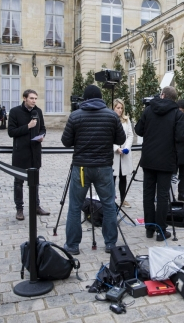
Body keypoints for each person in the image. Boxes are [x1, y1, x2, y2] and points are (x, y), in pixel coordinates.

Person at [61, 85, 126, 255]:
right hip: (104, 167)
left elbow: (66, 141)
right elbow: (121, 138)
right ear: (100, 98)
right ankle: (110, 243)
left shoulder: (75, 116)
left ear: (85, 99)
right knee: (109, 204)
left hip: (81, 168)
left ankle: (73, 245)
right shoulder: (111, 115)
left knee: (75, 206)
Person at [134, 86, 184, 241]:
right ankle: (161, 231)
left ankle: (149, 228)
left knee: (148, 194)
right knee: (163, 196)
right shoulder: (177, 113)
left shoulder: (149, 110)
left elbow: (138, 130)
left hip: (149, 159)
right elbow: (180, 137)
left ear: (162, 95)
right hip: (166, 160)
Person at [8, 89, 50, 221]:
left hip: (35, 151)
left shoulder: (38, 111)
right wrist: (28, 126)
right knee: (18, 182)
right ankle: (19, 209)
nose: (34, 101)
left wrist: (42, 136)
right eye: (32, 98)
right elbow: (11, 132)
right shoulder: (15, 112)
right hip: (21, 152)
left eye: (36, 98)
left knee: (35, 182)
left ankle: (36, 206)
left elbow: (43, 128)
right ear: (24, 98)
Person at [112, 98, 133, 208]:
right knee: (113, 177)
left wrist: (127, 147)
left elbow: (130, 135)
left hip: (124, 153)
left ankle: (123, 199)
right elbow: (108, 137)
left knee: (123, 177)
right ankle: (111, 199)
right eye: (117, 108)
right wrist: (116, 148)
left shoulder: (126, 120)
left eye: (121, 108)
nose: (120, 110)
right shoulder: (110, 119)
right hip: (114, 154)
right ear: (114, 108)